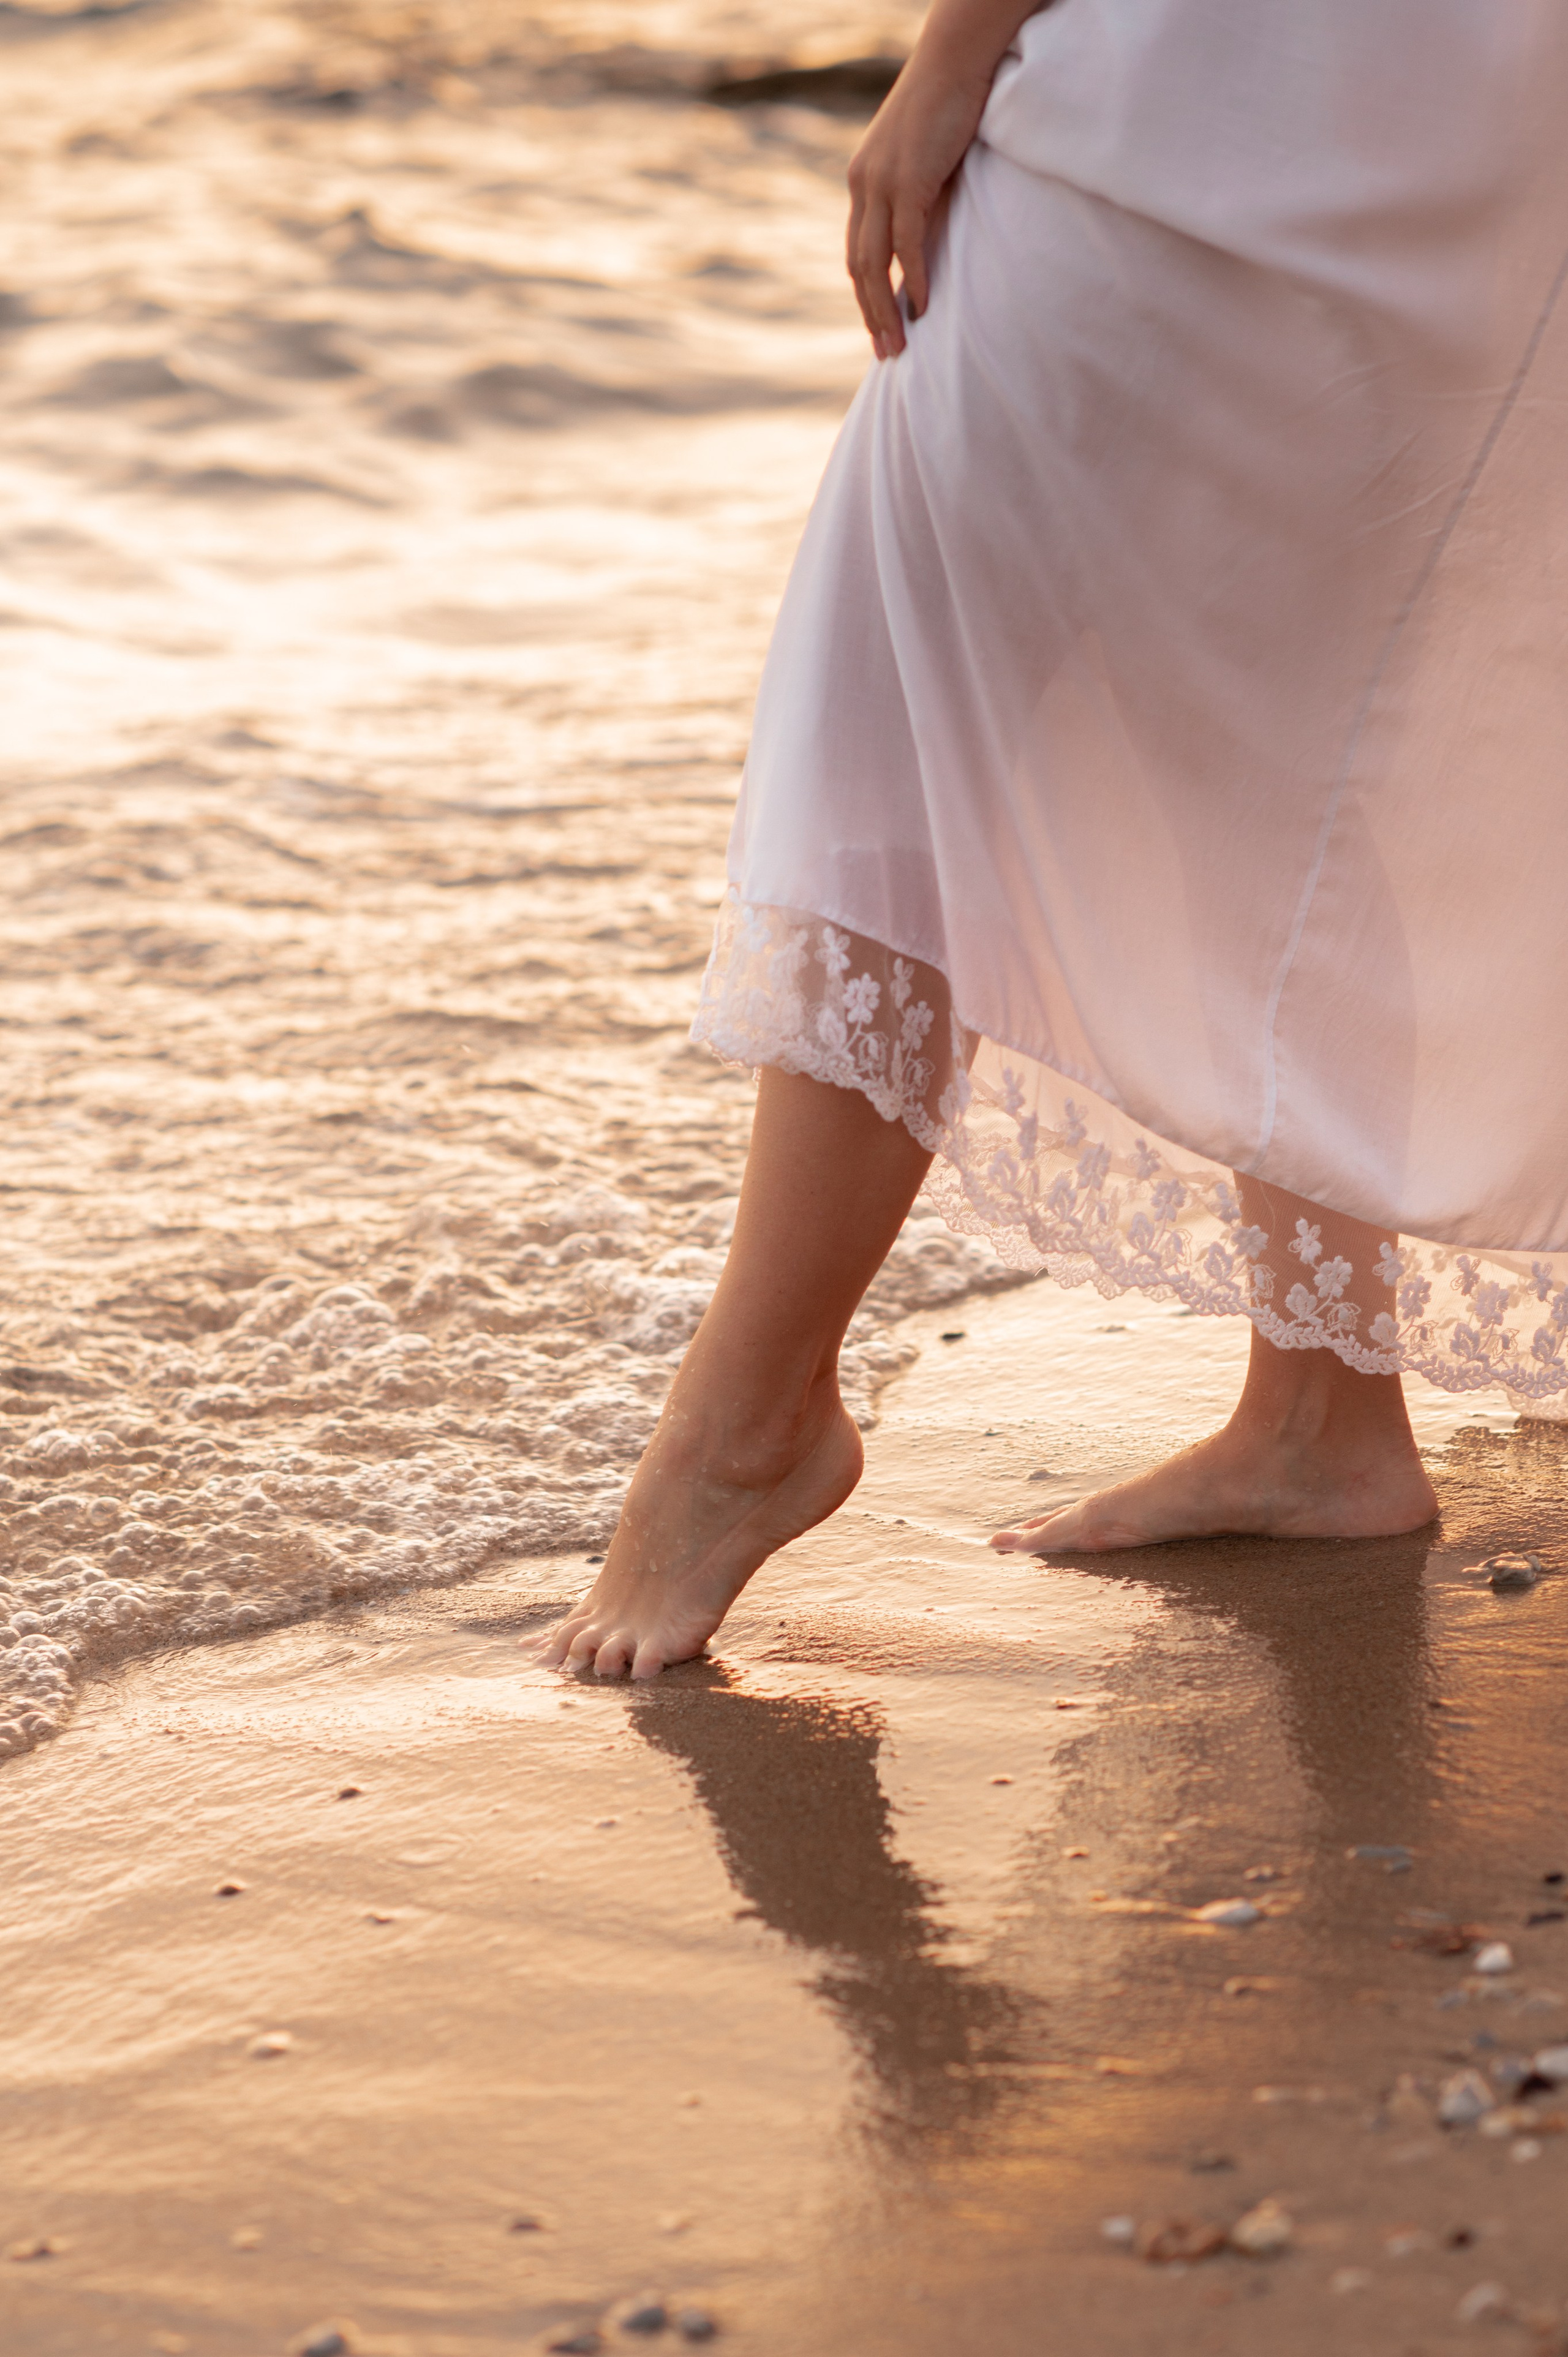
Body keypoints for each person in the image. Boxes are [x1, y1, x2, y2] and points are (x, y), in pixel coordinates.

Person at [536, 0, 1568, 1680]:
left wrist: (954, 49)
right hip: (1447, 98)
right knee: (1263, 714)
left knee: (912, 686)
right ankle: (1321, 1410)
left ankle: (749, 1427)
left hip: (1221, 89)